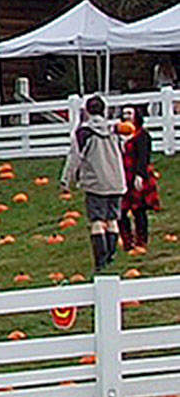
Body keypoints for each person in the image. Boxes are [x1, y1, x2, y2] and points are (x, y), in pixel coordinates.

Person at [60, 95, 126, 273]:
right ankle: (111, 255)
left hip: (96, 182)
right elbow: (122, 151)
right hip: (116, 181)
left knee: (97, 221)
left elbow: (75, 158)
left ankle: (101, 260)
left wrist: (67, 181)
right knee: (112, 219)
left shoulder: (84, 133)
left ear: (87, 111)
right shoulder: (114, 130)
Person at [119, 105, 161, 252]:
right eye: (124, 113)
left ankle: (141, 241)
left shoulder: (142, 135)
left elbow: (144, 157)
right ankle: (127, 241)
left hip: (137, 174)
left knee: (139, 210)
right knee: (121, 211)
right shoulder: (119, 135)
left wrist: (140, 175)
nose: (126, 116)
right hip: (122, 175)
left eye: (129, 113)